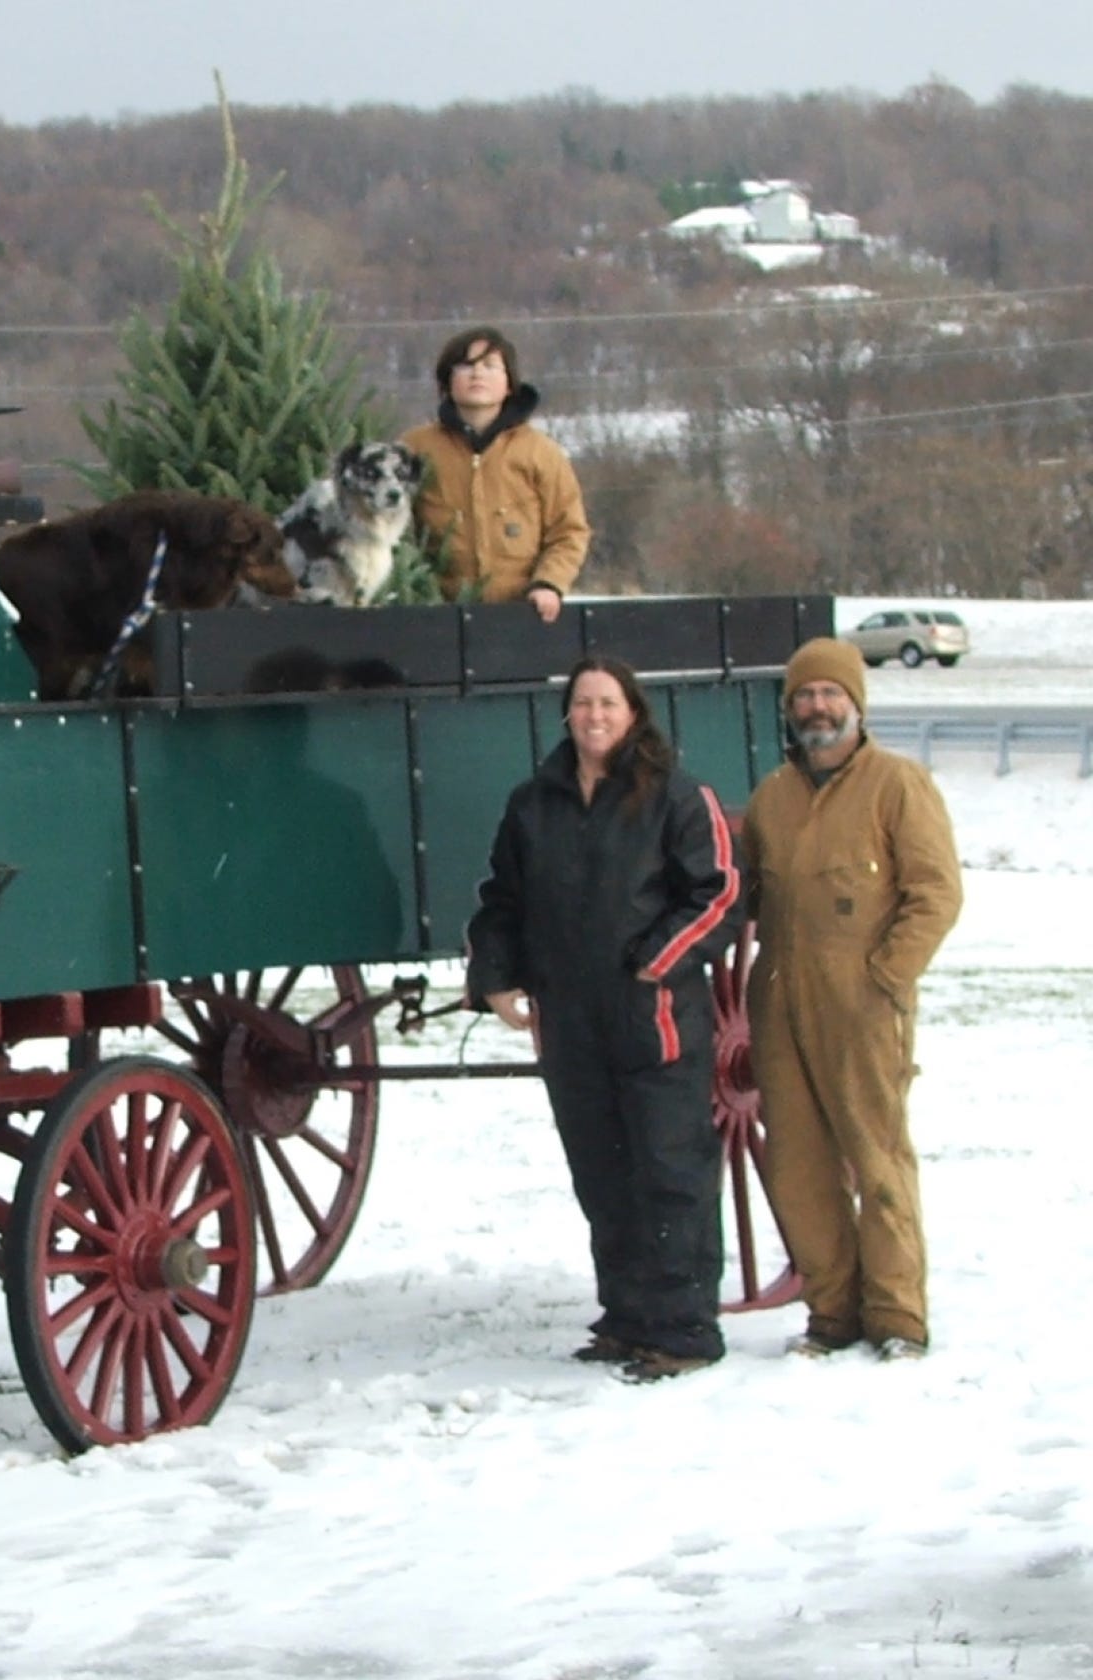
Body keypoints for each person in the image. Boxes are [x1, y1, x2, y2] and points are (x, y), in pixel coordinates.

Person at [467, 656, 743, 1381]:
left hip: (653, 1016)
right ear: (568, 713)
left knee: (669, 1170)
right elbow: (503, 899)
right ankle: (626, 1319)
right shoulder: (534, 804)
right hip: (569, 1018)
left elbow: (718, 894)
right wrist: (496, 977)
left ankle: (682, 1331)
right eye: (583, 703)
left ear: (633, 714)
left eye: (608, 704)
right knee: (602, 1173)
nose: (595, 716)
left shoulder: (677, 797)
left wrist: (656, 961)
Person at [742, 636, 962, 1362]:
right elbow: (744, 896)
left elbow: (936, 894)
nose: (817, 706)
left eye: (830, 694)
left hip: (862, 1004)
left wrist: (886, 979)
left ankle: (897, 1317)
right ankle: (832, 1313)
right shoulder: (773, 797)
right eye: (805, 695)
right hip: (781, 1003)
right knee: (799, 1168)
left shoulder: (897, 785)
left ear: (856, 705)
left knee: (878, 1159)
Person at [402, 326, 590, 623]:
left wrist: (548, 584)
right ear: (447, 381)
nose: (477, 374)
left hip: (522, 616)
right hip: (435, 617)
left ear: (509, 383)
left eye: (490, 366)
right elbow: (388, 526)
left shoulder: (540, 452)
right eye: (466, 365)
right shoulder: (415, 449)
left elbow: (569, 531)